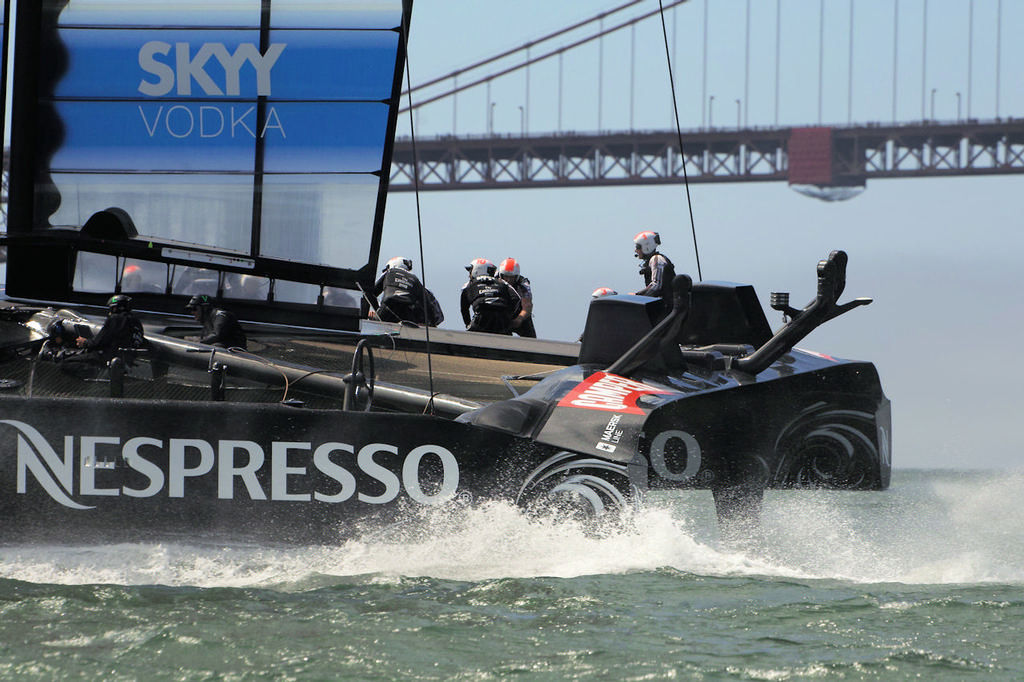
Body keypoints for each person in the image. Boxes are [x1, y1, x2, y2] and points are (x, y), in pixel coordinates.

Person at [370, 256, 444, 326]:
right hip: (411, 315)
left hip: (391, 305)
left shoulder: (390, 272)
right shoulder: (416, 281)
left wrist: (376, 313)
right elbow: (434, 311)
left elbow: (370, 292)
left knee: (375, 325)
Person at [76, 294, 147, 362]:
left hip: (107, 359)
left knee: (68, 363)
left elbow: (98, 343)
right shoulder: (136, 322)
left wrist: (85, 342)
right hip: (127, 361)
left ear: (115, 308)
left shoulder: (115, 319)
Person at [460, 258, 521, 335]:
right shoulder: (502, 282)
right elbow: (516, 299)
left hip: (481, 316)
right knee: (506, 342)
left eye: (470, 272)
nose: (469, 275)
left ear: (476, 270)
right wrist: (509, 317)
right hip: (502, 317)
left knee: (471, 342)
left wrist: (468, 325)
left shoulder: (468, 285)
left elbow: (464, 309)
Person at [633, 230, 676, 310]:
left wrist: (638, 298)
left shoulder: (656, 259)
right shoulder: (653, 260)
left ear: (646, 247)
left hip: (666, 307)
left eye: (638, 247)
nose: (636, 250)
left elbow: (656, 286)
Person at [497, 257, 536, 338]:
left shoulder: (524, 284)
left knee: (531, 339)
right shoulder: (494, 279)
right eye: (505, 276)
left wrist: (519, 319)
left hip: (520, 314)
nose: (508, 280)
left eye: (512, 277)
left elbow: (527, 306)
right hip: (502, 313)